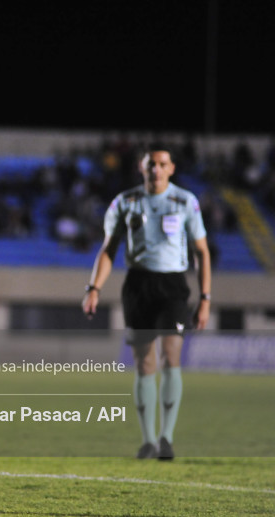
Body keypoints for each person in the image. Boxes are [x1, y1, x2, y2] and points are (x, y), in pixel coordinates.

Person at [82, 143, 211, 460]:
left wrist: (205, 297)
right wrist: (94, 287)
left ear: (171, 169)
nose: (156, 169)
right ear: (142, 168)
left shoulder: (185, 202)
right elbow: (108, 249)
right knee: (144, 364)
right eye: (150, 164)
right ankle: (148, 439)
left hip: (173, 286)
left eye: (162, 164)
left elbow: (202, 252)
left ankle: (167, 437)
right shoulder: (125, 202)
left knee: (170, 355)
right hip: (138, 285)